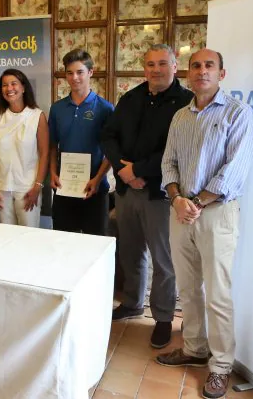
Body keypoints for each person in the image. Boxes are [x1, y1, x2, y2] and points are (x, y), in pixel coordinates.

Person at [156, 49, 253, 399]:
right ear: (188, 73)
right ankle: (195, 349)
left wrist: (195, 202)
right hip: (181, 212)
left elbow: (233, 171)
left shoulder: (238, 113)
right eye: (195, 66)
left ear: (222, 73)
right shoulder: (181, 116)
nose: (201, 71)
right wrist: (177, 199)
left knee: (218, 294)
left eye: (208, 66)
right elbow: (168, 163)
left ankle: (220, 366)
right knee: (188, 288)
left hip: (216, 215)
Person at [101, 44, 194, 348]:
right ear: (144, 68)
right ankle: (131, 303)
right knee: (130, 252)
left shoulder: (185, 103)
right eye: (150, 64)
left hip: (159, 193)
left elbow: (178, 151)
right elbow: (109, 136)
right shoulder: (131, 98)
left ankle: (164, 317)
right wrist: (121, 169)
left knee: (163, 260)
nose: (156, 70)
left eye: (162, 64)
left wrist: (138, 169)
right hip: (127, 192)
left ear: (175, 65)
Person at [48, 49, 114, 235]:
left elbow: (111, 151)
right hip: (64, 187)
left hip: (95, 189)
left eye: (80, 72)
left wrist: (98, 178)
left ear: (90, 73)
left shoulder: (105, 108)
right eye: (69, 73)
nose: (74, 77)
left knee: (95, 244)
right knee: (63, 242)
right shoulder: (57, 108)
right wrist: (52, 173)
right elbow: (53, 145)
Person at [0, 69, 49, 227]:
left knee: (29, 236)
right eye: (4, 85)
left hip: (28, 189)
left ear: (24, 87)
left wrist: (37, 187)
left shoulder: (37, 116)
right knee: (6, 237)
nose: (9, 88)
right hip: (1, 188)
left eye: (14, 84)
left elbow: (45, 154)